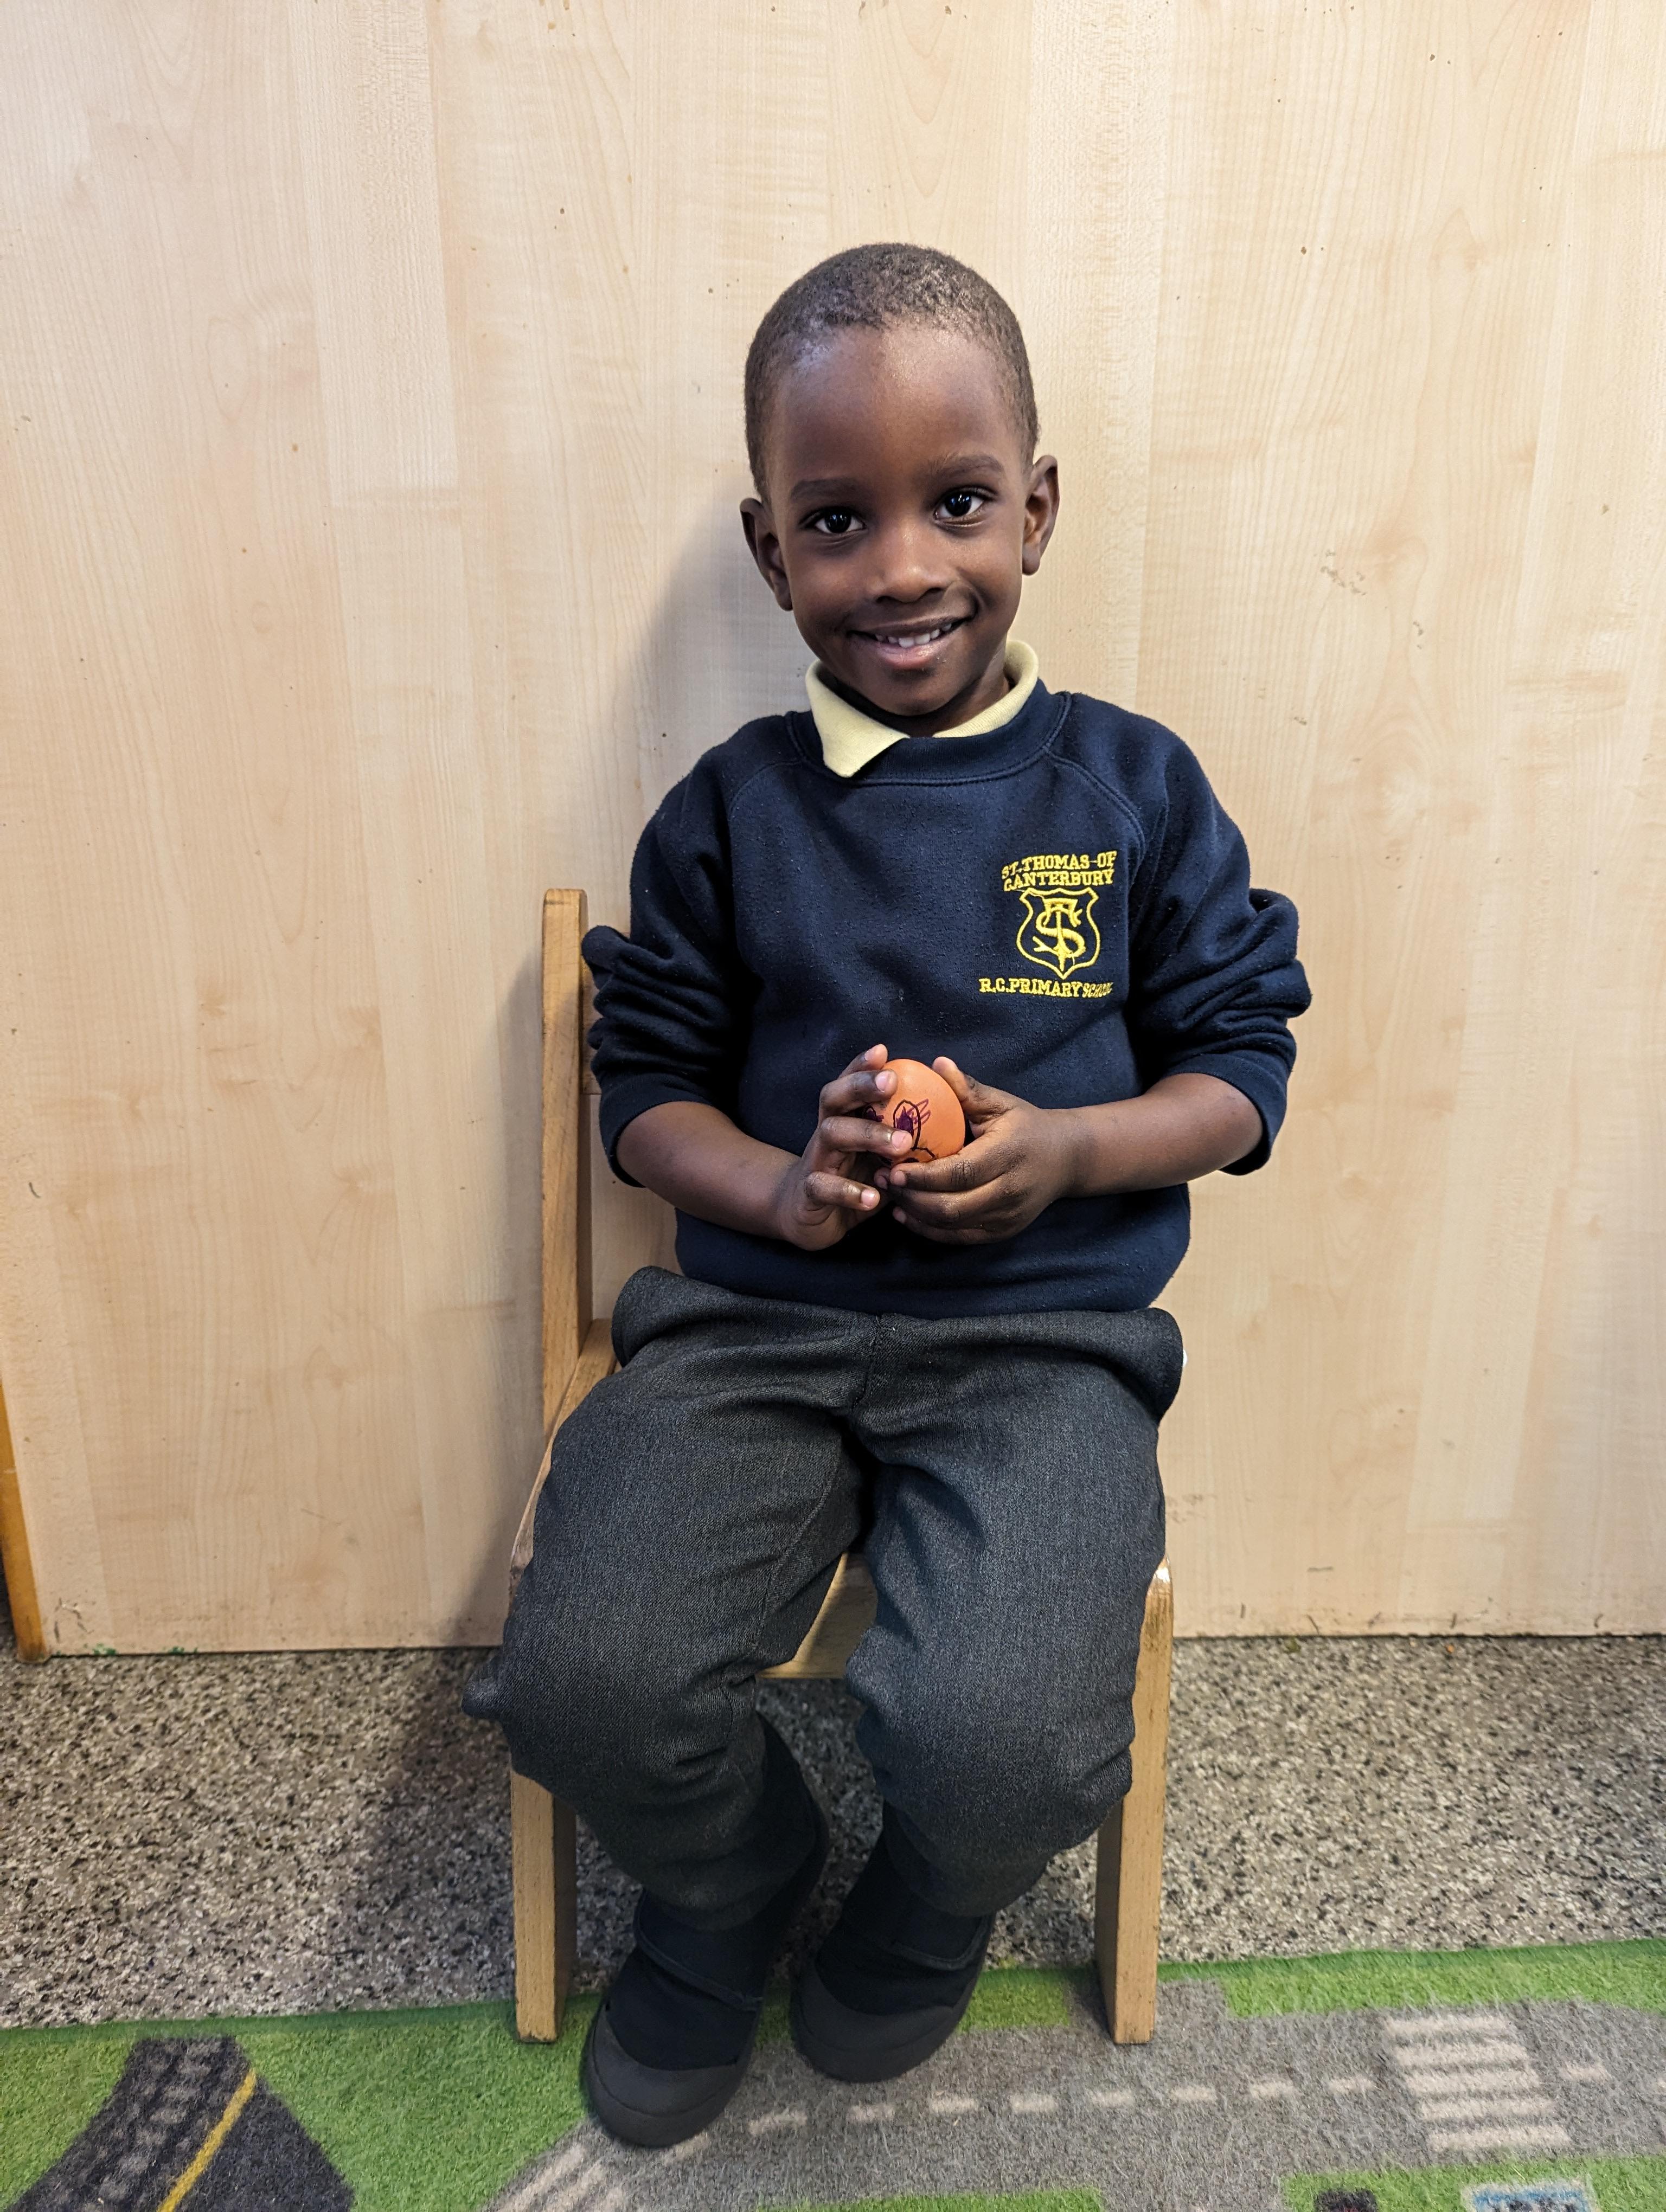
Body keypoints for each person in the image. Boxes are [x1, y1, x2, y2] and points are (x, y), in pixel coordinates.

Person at [465, 243, 1310, 2147]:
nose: (906, 566)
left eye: (960, 503)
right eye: (840, 522)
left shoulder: (1133, 790)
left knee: (1008, 1746)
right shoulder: (731, 809)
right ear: (771, 552)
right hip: (749, 1335)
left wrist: (1069, 1150)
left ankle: (930, 1904)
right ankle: (732, 1877)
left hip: (1045, 1351)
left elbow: (1241, 1075)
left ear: (1040, 509)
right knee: (580, 1684)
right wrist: (783, 1192)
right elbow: (646, 1096)